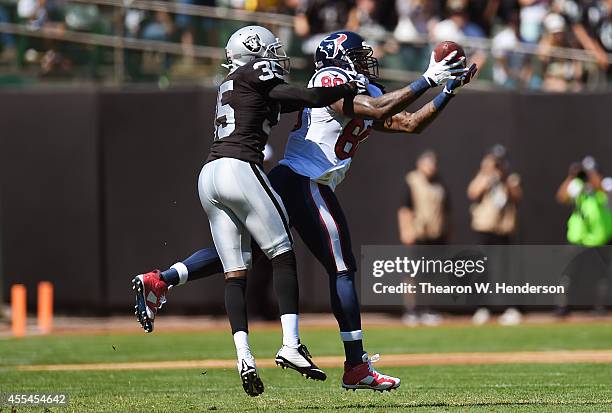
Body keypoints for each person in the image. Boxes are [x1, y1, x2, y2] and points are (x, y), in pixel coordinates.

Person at [134, 30, 476, 392]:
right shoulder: (332, 80)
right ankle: (354, 364)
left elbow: (408, 123)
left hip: (299, 181)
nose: (365, 61)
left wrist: (447, 91)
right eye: (358, 55)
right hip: (304, 180)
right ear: (340, 58)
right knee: (341, 266)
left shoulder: (366, 90)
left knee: (241, 254)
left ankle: (163, 278)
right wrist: (427, 79)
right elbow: (374, 109)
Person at [134, 25, 364, 397]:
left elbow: (293, 100)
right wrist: (345, 87)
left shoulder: (232, 82)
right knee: (283, 251)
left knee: (236, 270)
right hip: (239, 166)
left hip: (209, 175)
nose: (277, 56)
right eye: (271, 49)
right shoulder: (257, 72)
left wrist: (317, 98)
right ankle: (291, 344)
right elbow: (305, 94)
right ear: (256, 50)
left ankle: (243, 355)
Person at [397, 150, 450, 326]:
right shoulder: (412, 181)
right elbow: (405, 208)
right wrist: (406, 230)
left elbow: (446, 211)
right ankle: (411, 310)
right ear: (420, 164)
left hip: (435, 235)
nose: (431, 167)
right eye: (428, 163)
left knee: (431, 275)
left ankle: (429, 309)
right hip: (417, 234)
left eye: (433, 164)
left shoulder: (439, 184)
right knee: (412, 274)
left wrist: (447, 231)